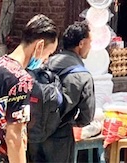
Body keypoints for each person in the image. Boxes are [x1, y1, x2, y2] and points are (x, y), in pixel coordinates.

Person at [0, 15, 58, 163]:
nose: (46, 60)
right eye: (49, 53)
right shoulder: (21, 80)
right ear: (39, 46)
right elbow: (14, 137)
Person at [28, 21, 96, 162]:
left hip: (34, 131)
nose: (91, 46)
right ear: (82, 43)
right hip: (60, 136)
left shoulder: (45, 62)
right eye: (90, 42)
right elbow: (86, 117)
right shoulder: (83, 76)